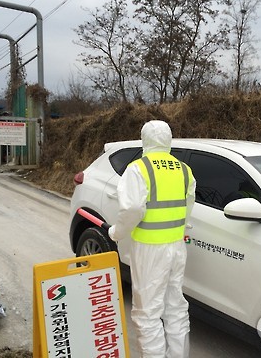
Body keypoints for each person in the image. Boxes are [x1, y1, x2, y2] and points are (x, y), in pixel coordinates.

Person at [108, 120, 196, 358]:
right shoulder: (184, 170)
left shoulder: (139, 168)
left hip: (149, 249)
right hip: (177, 246)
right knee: (175, 307)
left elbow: (132, 210)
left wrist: (116, 232)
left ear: (144, 139)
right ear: (168, 140)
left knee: (147, 312)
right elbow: (188, 208)